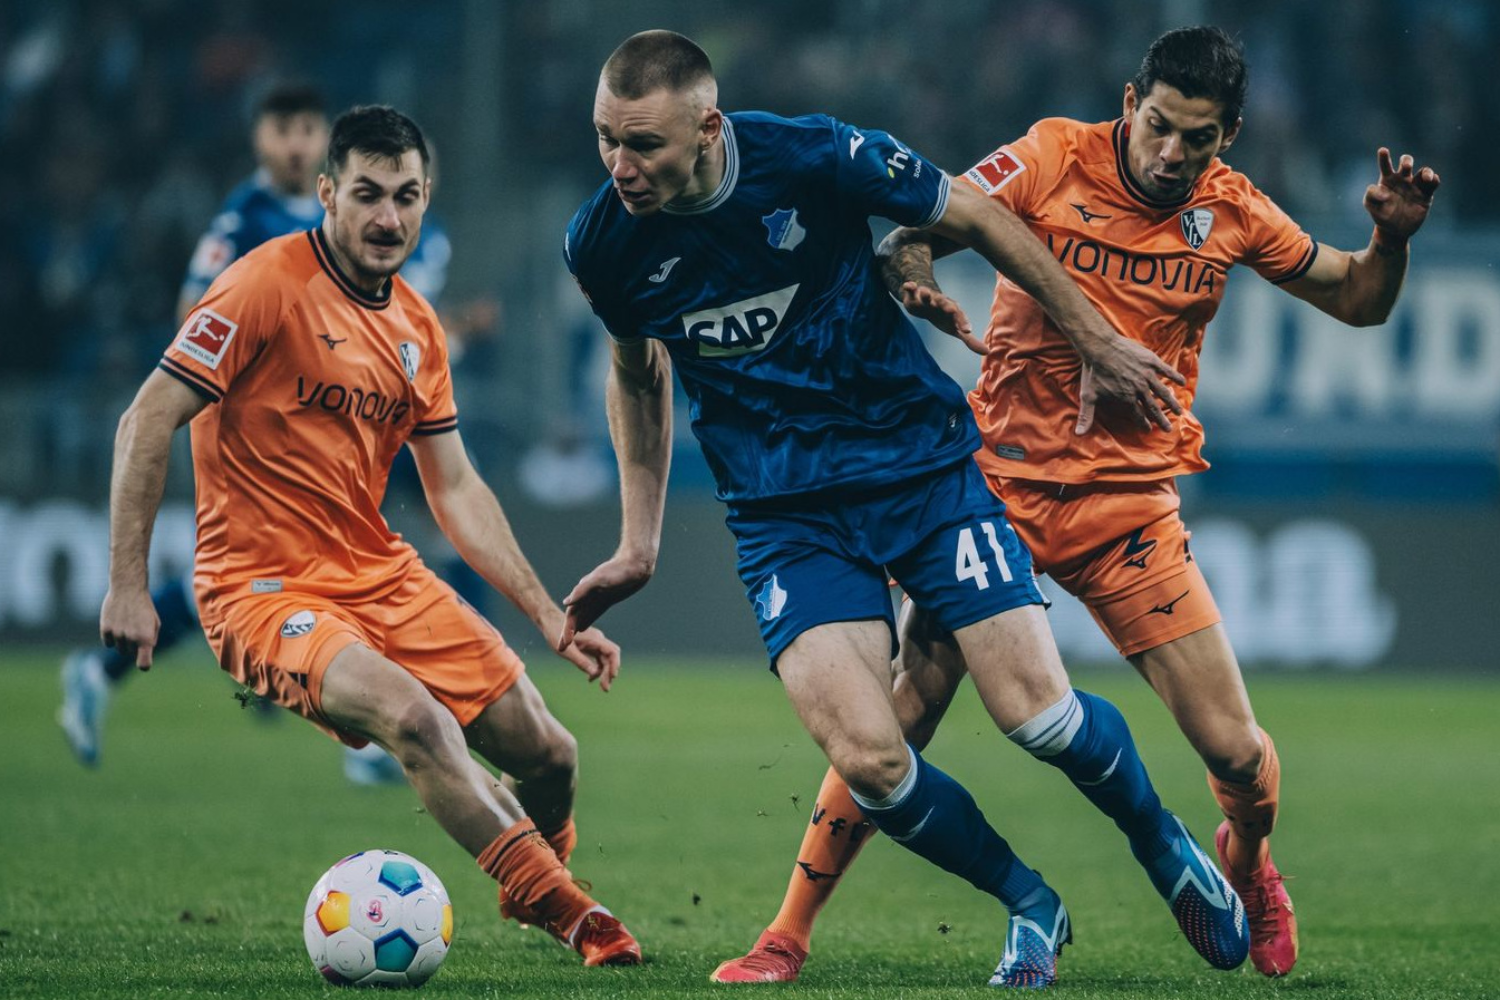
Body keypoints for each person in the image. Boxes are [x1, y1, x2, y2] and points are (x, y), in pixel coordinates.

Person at [712, 25, 1441, 983]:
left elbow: (1358, 300)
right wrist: (919, 281)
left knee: (1235, 751)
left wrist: (1389, 241)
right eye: (1160, 126)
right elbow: (912, 233)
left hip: (1129, 507)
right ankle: (788, 931)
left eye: (1199, 139)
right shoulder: (1052, 155)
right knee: (898, 714)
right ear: (1131, 104)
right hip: (995, 492)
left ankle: (1250, 863)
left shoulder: (1233, 210)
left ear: (1228, 137)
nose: (1173, 154)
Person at [562, 31, 1248, 988]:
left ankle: (1160, 839)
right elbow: (638, 374)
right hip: (783, 514)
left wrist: (1091, 336)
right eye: (606, 139)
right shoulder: (602, 241)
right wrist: (639, 543)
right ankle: (1030, 903)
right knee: (872, 762)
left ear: (709, 128)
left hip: (918, 469)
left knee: (1037, 717)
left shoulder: (816, 155)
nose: (619, 166)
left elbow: (980, 215)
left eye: (643, 145)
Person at [98, 105, 642, 967]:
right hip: (260, 588)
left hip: (378, 572)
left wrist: (547, 613)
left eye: (406, 196)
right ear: (327, 194)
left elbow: (455, 486)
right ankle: (576, 914)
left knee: (549, 755)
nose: (389, 217)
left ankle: (530, 874)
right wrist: (128, 585)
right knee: (414, 719)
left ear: (426, 199)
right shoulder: (261, 286)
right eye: (367, 195)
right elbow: (145, 421)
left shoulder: (417, 326)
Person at [57, 83, 447, 787]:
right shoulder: (243, 220)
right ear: (260, 141)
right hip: (263, 427)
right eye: (281, 130)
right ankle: (361, 733)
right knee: (264, 571)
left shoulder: (360, 214)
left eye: (306, 129)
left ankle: (345, 715)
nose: (295, 143)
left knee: (331, 562)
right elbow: (197, 312)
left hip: (347, 418)